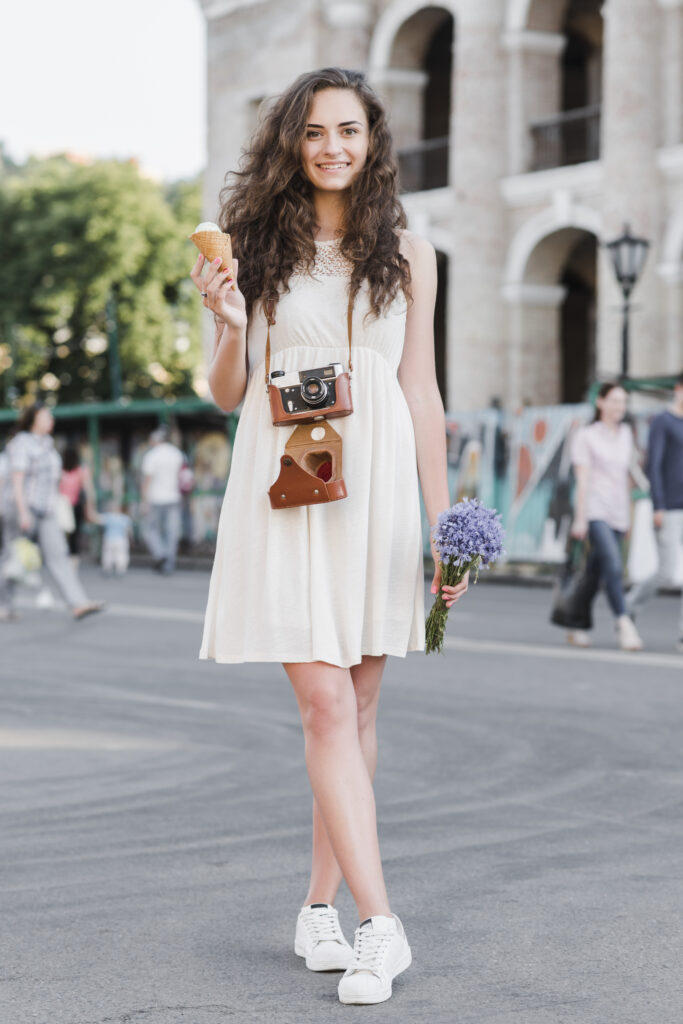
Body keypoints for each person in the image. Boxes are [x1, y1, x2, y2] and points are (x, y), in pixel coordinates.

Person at [191, 68, 469, 1006]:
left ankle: (318, 906)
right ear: (290, 143)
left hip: (379, 491)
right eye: (313, 132)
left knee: (354, 711)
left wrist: (445, 525)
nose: (332, 147)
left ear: (372, 139)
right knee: (321, 706)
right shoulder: (252, 249)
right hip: (286, 487)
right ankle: (381, 925)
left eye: (348, 129)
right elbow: (227, 393)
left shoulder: (411, 252)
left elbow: (419, 392)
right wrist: (229, 325)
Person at [0, 401, 104, 622]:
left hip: (46, 510)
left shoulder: (48, 444)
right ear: (33, 419)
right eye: (46, 417)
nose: (51, 421)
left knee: (59, 554)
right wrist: (23, 511)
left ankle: (78, 603)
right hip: (22, 508)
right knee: (13, 557)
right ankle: (3, 604)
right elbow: (17, 481)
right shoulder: (21, 443)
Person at [568, 382, 645, 651]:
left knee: (594, 571)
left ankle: (575, 622)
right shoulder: (586, 436)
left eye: (623, 402)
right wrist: (580, 518)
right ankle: (624, 624)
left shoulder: (626, 433)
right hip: (596, 511)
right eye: (614, 401)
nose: (619, 407)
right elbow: (583, 480)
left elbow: (629, 475)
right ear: (600, 402)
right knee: (613, 565)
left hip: (620, 512)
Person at [627, 371, 683, 651]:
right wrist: (658, 504)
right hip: (669, 507)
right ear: (678, 389)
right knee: (666, 571)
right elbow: (654, 466)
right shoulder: (663, 421)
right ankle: (627, 608)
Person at [140, 426, 184, 574]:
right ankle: (168, 564)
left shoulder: (152, 456)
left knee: (151, 530)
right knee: (171, 532)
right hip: (174, 497)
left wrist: (144, 502)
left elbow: (147, 481)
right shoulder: (176, 453)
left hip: (155, 498)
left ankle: (160, 554)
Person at [59, 445, 97, 557]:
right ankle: (71, 558)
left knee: (64, 534)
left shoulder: (62, 471)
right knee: (74, 536)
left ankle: (66, 556)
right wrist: (90, 508)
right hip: (71, 507)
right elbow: (90, 492)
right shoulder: (81, 470)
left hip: (66, 507)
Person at [98, 502, 133, 576]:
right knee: (121, 554)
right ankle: (120, 569)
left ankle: (107, 568)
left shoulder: (108, 517)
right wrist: (130, 538)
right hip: (121, 539)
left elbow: (97, 519)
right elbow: (128, 529)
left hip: (109, 539)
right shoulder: (124, 518)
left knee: (108, 554)